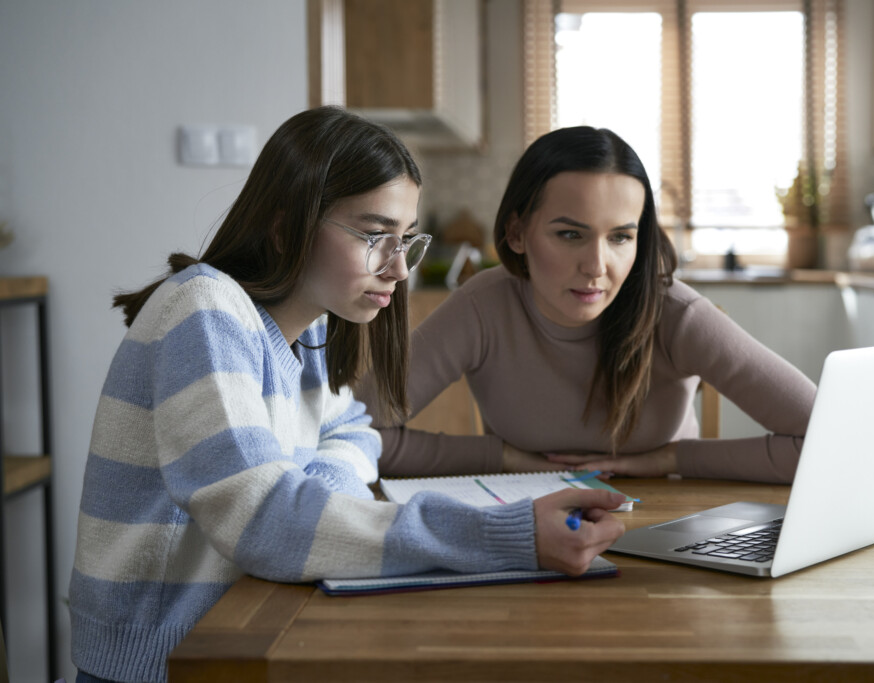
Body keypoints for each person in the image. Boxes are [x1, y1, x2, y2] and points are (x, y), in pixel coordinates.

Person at [68, 108, 625, 683]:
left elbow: (353, 429)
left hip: (249, 632)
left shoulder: (306, 330)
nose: (400, 267)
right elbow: (263, 520)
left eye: (406, 239)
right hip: (165, 662)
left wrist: (313, 485)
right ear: (287, 227)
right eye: (374, 235)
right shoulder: (204, 309)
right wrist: (505, 536)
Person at [359, 126, 817, 481]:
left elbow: (827, 440)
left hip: (671, 519)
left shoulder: (677, 314)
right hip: (526, 522)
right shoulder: (482, 307)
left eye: (620, 237)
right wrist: (504, 458)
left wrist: (668, 459)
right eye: (570, 235)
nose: (597, 265)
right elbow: (352, 432)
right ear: (517, 234)